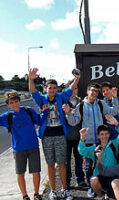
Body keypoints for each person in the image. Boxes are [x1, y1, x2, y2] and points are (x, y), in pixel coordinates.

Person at [28, 68, 80, 200]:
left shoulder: (61, 97)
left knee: (62, 163)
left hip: (60, 134)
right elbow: (33, 91)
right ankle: (52, 191)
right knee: (50, 164)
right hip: (47, 136)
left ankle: (64, 189)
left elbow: (70, 88)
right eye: (50, 88)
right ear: (46, 88)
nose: (52, 90)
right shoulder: (42, 99)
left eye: (54, 88)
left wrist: (77, 78)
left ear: (57, 89)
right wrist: (31, 79)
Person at [64, 82, 119, 197]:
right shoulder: (81, 106)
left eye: (96, 91)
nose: (94, 93)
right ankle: (91, 187)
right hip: (88, 141)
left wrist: (114, 98)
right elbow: (73, 121)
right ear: (87, 91)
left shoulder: (100, 103)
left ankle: (101, 185)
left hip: (101, 140)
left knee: (101, 164)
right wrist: (68, 113)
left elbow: (114, 111)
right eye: (92, 90)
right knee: (89, 165)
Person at [0, 91, 48, 200]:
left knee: (36, 171)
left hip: (33, 146)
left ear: (19, 101)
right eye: (11, 103)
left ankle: (36, 194)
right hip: (18, 149)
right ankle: (25, 195)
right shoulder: (7, 117)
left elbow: (39, 121)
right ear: (8, 104)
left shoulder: (28, 110)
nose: (14, 104)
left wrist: (44, 113)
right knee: (20, 172)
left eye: (16, 101)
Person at [77, 115, 119, 200]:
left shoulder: (114, 144)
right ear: (98, 136)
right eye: (102, 134)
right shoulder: (95, 147)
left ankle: (110, 194)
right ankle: (100, 196)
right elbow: (81, 150)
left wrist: (117, 124)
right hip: (99, 176)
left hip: (112, 176)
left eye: (106, 134)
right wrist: (82, 138)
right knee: (93, 180)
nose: (104, 136)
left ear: (109, 134)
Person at [63, 86, 86, 188]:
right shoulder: (63, 102)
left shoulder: (82, 102)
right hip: (66, 137)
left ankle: (80, 180)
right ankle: (67, 181)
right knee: (66, 161)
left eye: (75, 89)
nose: (73, 91)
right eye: (71, 89)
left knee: (79, 160)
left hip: (78, 136)